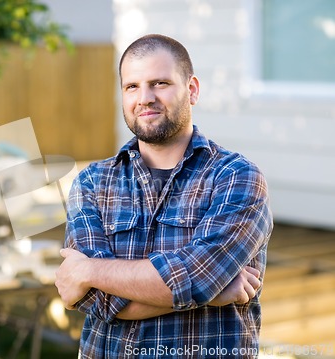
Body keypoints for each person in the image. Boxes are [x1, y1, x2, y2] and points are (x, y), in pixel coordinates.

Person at [55, 34, 273, 358]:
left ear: (192, 90)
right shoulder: (92, 183)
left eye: (160, 83)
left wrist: (88, 271)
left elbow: (199, 277)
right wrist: (209, 292)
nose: (145, 98)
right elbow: (95, 300)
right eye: (132, 87)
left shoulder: (236, 178)